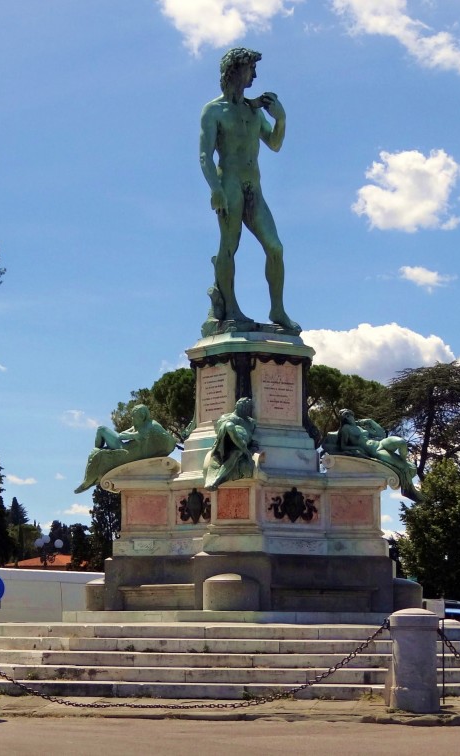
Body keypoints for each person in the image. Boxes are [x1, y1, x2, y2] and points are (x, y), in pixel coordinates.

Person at [199, 47, 299, 333]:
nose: (254, 75)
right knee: (229, 246)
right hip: (229, 184)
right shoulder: (214, 110)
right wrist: (215, 188)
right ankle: (229, 309)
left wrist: (280, 119)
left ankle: (277, 309)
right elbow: (205, 154)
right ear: (235, 71)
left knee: (275, 247)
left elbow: (274, 144)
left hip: (254, 186)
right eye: (250, 69)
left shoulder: (254, 112)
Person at [74, 404, 177, 494]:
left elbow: (169, 442)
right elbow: (121, 436)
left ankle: (88, 480)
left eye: (134, 417)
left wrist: (134, 436)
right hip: (125, 446)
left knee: (101, 431)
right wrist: (134, 435)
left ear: (142, 417)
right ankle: (97, 451)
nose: (132, 419)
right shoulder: (139, 425)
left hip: (127, 451)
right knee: (101, 431)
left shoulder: (150, 426)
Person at [204, 397, 257, 489]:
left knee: (236, 453)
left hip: (243, 445)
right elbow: (227, 427)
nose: (246, 409)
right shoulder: (227, 417)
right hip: (230, 442)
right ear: (237, 406)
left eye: (248, 407)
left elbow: (250, 434)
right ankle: (216, 480)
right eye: (243, 406)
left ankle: (217, 479)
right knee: (235, 451)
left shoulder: (251, 422)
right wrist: (244, 448)